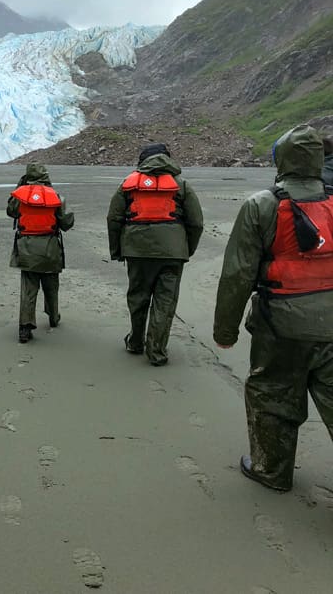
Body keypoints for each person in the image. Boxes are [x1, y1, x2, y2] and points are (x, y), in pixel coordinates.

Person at [214, 124, 333, 492]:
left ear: (280, 158)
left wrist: (225, 331)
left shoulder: (261, 205)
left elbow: (237, 275)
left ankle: (271, 469)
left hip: (280, 326)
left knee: (271, 395)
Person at [107, 142, 204, 366]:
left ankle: (136, 342)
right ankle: (157, 351)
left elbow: (113, 218)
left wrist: (117, 250)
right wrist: (186, 249)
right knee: (165, 301)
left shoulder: (127, 185)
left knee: (138, 297)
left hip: (137, 251)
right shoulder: (182, 185)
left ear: (142, 162)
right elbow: (196, 223)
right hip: (172, 253)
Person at [6, 163, 75, 343]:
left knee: (29, 287)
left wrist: (19, 187)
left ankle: (25, 327)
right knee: (51, 284)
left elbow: (11, 212)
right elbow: (67, 223)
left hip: (26, 248)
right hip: (50, 247)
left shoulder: (20, 197)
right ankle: (53, 316)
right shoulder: (56, 197)